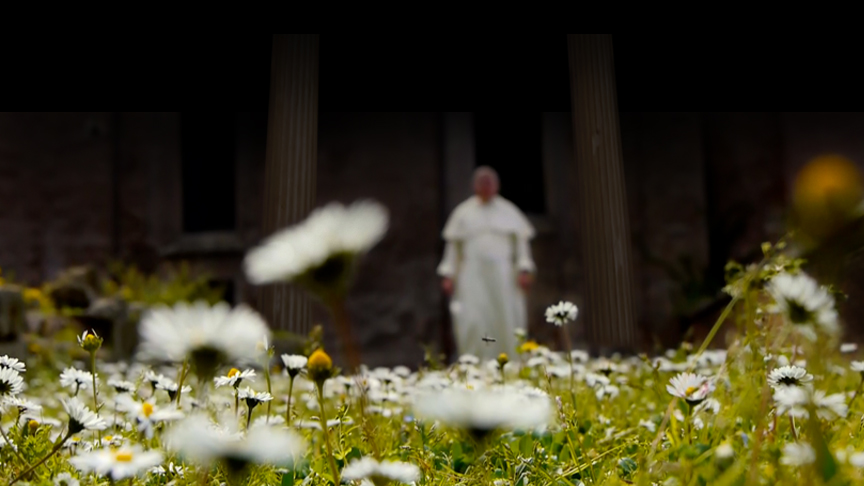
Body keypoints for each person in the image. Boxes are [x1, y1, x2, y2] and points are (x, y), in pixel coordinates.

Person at [437, 166, 536, 361]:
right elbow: (453, 250)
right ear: (475, 186)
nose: (486, 187)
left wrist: (524, 269)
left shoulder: (509, 211)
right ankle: (475, 363)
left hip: (504, 275)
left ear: (496, 186)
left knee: (507, 318)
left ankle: (512, 363)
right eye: (482, 183)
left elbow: (521, 247)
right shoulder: (463, 213)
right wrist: (448, 274)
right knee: (474, 319)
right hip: (472, 276)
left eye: (490, 183)